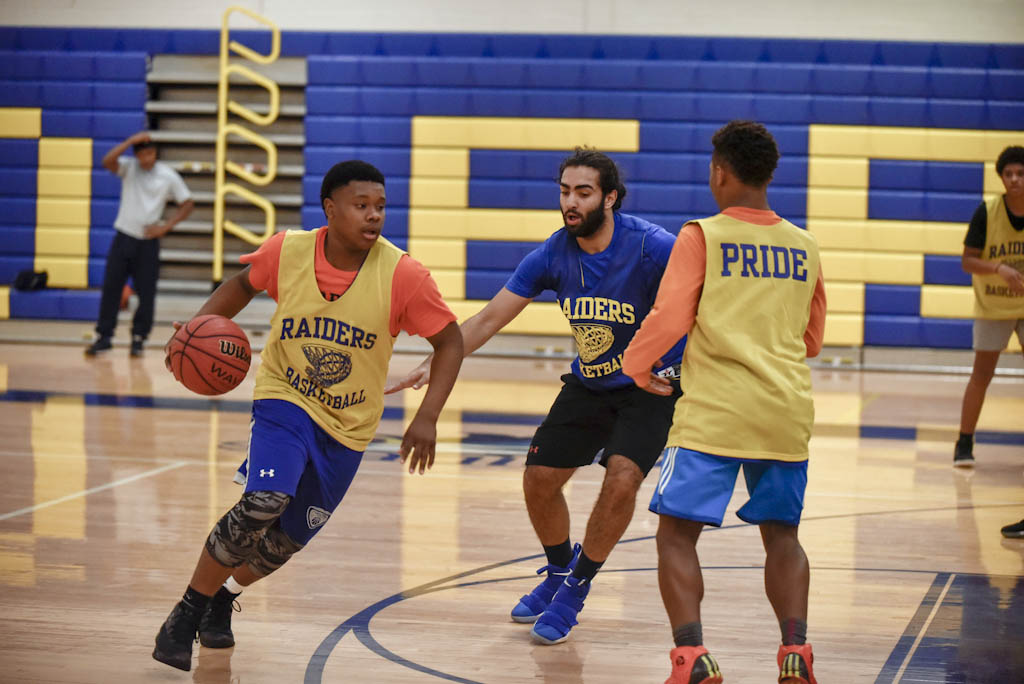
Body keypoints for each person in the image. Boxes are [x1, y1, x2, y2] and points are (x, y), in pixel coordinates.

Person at [151, 160, 464, 672]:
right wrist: (197, 329)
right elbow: (241, 284)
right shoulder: (288, 250)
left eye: (380, 206)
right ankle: (185, 612)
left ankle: (221, 599)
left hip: (349, 425)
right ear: (330, 209)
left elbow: (450, 342)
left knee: (283, 541)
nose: (374, 216)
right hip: (284, 398)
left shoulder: (403, 274)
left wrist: (427, 416)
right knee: (263, 501)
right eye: (361, 205)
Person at [386, 148, 687, 645]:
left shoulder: (653, 247)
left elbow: (700, 301)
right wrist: (432, 364)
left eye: (583, 192)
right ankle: (556, 570)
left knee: (622, 478)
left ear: (610, 198)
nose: (570, 202)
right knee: (539, 480)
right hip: (591, 383)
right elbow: (486, 319)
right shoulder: (552, 253)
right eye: (565, 191)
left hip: (647, 388)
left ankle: (577, 587)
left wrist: (677, 363)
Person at [623, 120, 827, 684]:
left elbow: (668, 318)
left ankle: (692, 658)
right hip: (785, 410)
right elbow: (811, 341)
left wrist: (635, 366)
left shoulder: (702, 235)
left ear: (720, 172)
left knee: (675, 534)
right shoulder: (804, 244)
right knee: (783, 537)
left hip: (715, 411)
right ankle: (795, 653)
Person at [85, 131, 194, 357]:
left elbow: (187, 202)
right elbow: (107, 161)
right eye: (142, 154)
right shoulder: (129, 168)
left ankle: (138, 339)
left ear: (155, 153)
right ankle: (104, 336)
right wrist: (127, 142)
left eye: (151, 153)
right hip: (124, 236)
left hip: (148, 242)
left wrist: (165, 227)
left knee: (146, 293)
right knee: (111, 288)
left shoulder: (167, 175)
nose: (147, 158)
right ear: (137, 155)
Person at [953, 145, 1024, 469]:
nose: (1014, 179)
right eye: (1009, 174)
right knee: (982, 374)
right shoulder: (987, 211)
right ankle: (964, 442)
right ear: (1001, 177)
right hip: (994, 303)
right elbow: (967, 261)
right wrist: (999, 269)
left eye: (1020, 174)